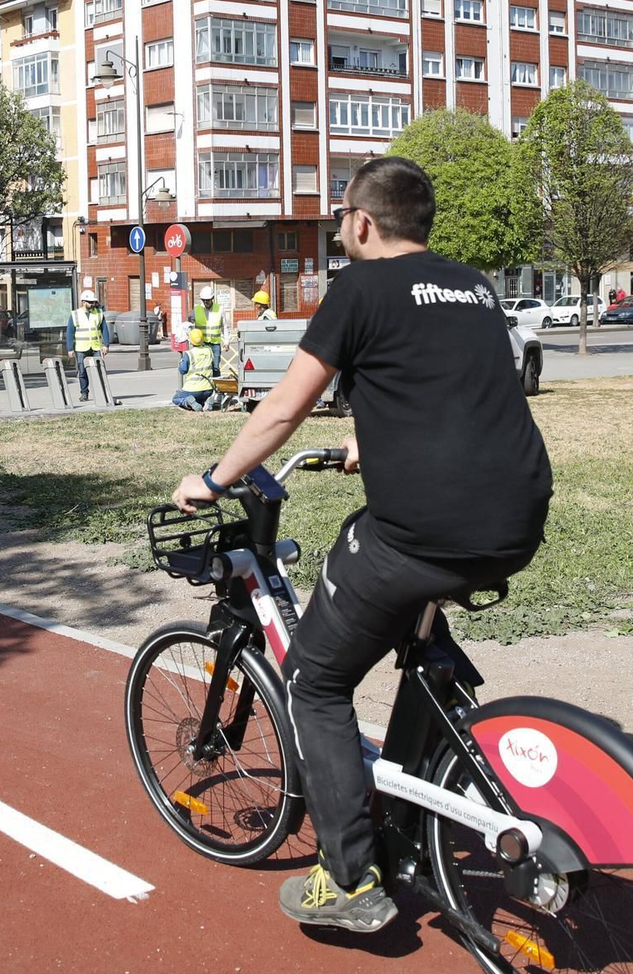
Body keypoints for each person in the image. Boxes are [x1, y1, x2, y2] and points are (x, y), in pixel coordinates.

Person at [169, 156, 552, 934]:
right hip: (517, 514)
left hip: (426, 530)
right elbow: (454, 395)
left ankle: (347, 877)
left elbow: (283, 408)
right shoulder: (475, 285)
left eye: (343, 214)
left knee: (313, 680)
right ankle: (427, 734)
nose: (341, 225)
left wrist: (213, 478)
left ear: (364, 222)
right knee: (405, 609)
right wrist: (371, 449)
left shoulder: (360, 288)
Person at [66, 289, 110, 401]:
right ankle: (84, 393)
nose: (92, 304)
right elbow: (70, 332)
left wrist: (106, 345)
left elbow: (104, 329)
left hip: (96, 347)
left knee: (99, 370)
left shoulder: (99, 313)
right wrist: (70, 348)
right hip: (81, 348)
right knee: (82, 371)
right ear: (83, 302)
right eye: (90, 302)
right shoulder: (75, 314)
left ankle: (101, 392)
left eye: (93, 302)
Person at [170, 326, 216, 410]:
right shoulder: (209, 350)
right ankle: (206, 401)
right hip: (208, 389)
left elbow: (183, 370)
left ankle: (188, 401)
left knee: (176, 398)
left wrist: (181, 362)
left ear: (190, 340)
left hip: (193, 389)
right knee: (200, 400)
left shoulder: (189, 354)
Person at [192, 286, 226, 372]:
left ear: (212, 298)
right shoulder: (196, 310)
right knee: (203, 368)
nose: (205, 302)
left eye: (208, 300)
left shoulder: (219, 309)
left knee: (215, 368)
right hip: (201, 344)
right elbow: (190, 326)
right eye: (203, 300)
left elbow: (225, 326)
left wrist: (227, 341)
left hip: (215, 344)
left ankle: (215, 385)